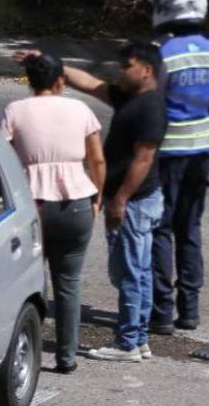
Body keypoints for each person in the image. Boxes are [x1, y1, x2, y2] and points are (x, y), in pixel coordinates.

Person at [143, 0, 209, 333]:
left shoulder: (162, 54)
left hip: (167, 153)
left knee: (160, 229)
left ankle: (161, 312)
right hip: (201, 152)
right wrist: (206, 101)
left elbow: (148, 99)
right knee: (190, 228)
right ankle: (190, 310)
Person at [58, 42, 168, 362]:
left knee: (129, 273)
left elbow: (143, 160)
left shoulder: (150, 108)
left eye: (127, 66)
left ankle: (127, 343)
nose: (121, 70)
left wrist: (119, 200)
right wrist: (56, 65)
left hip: (134, 203)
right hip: (135, 201)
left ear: (146, 70)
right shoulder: (130, 98)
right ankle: (139, 338)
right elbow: (91, 84)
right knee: (138, 271)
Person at [2, 52, 105, 372]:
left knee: (24, 284)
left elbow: (3, 157)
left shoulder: (15, 110)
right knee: (68, 283)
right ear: (61, 79)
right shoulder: (80, 109)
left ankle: (18, 353)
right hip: (76, 205)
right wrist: (97, 199)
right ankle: (66, 357)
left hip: (31, 207)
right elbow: (97, 161)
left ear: (29, 81)